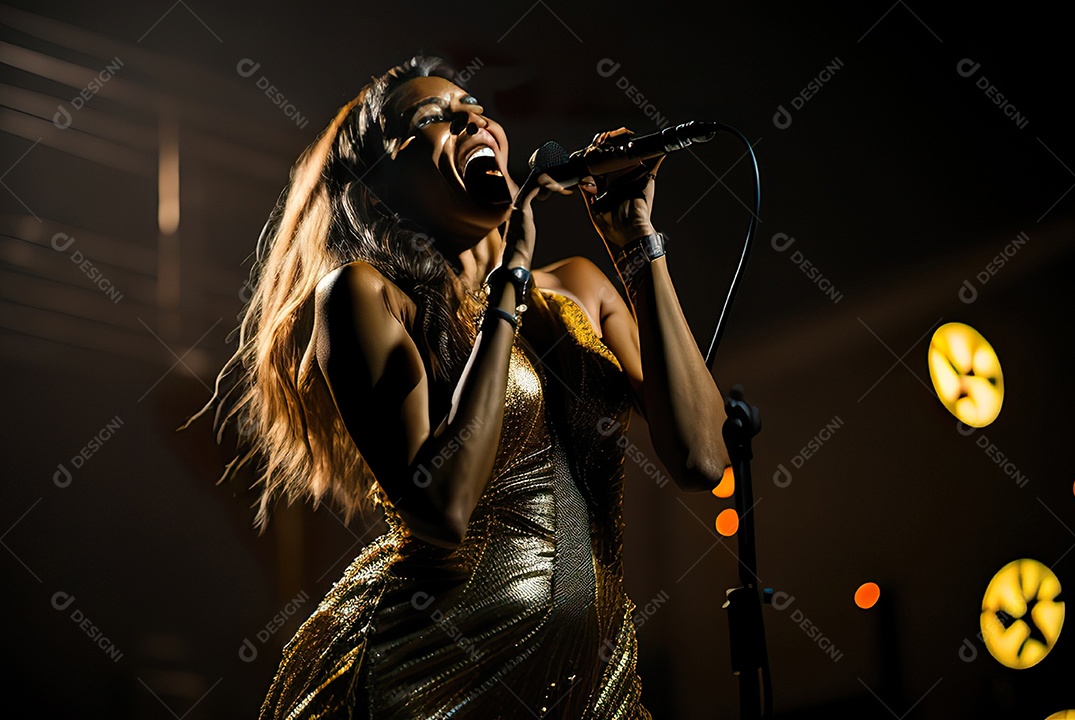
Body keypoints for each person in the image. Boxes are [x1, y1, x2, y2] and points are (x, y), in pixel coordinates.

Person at [204, 54, 731, 718]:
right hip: (429, 677)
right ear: (379, 183)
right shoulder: (363, 296)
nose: (473, 120)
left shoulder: (580, 288)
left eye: (475, 108)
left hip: (591, 687)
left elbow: (702, 457)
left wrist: (636, 243)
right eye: (434, 117)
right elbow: (443, 511)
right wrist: (509, 285)